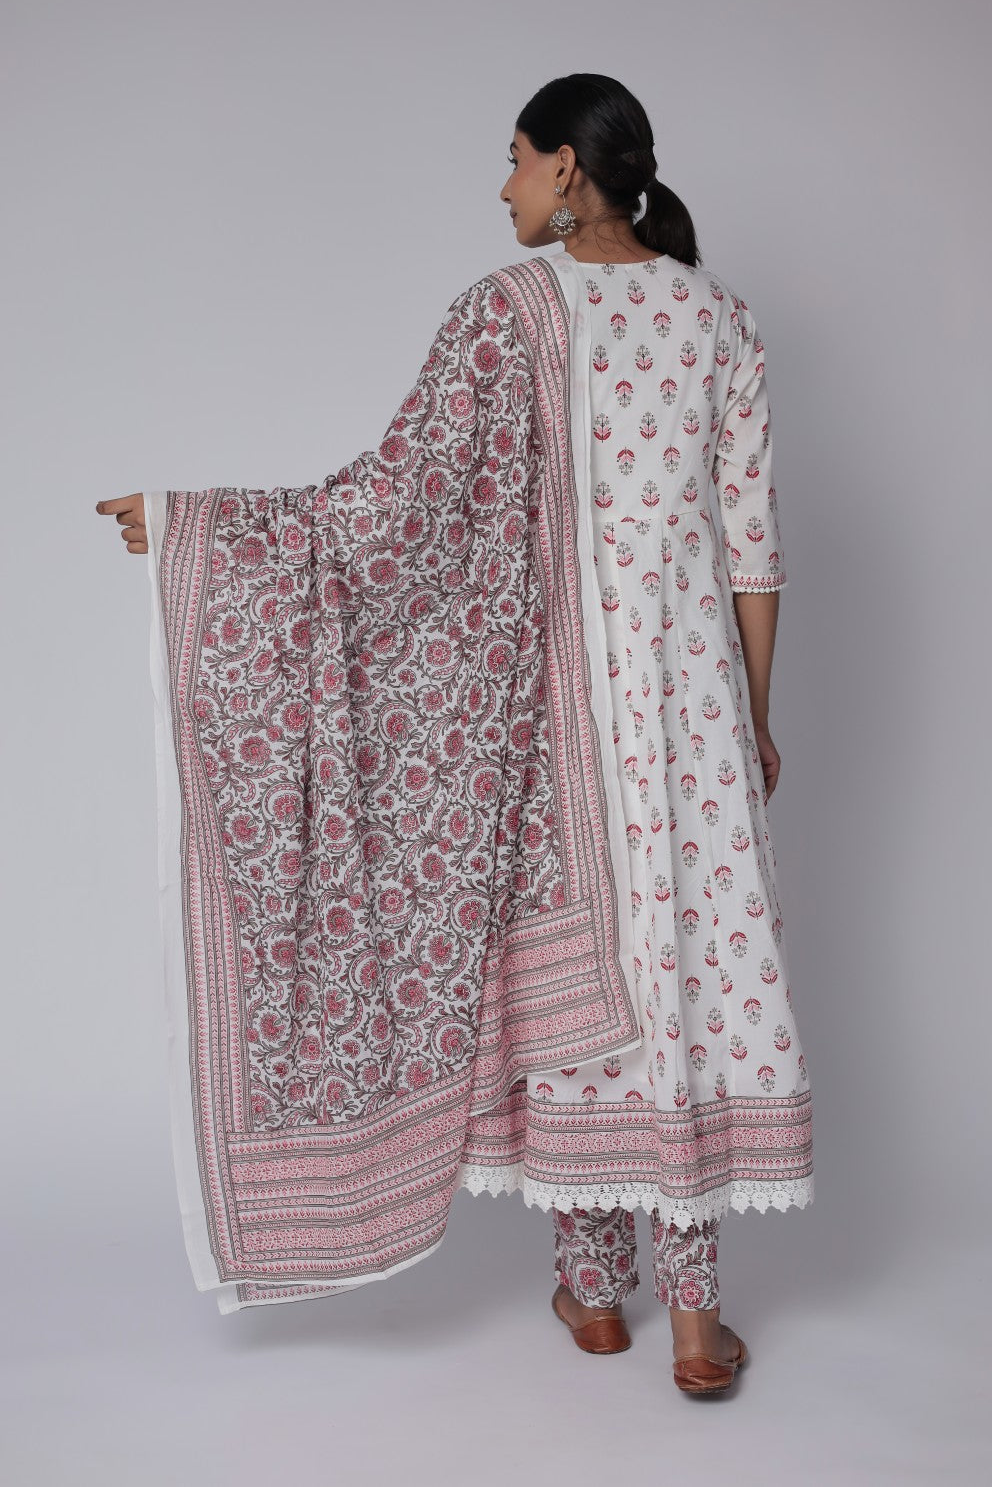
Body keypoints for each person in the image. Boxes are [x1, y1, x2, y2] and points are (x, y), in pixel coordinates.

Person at [96, 73, 811, 1395]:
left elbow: (387, 511)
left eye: (513, 160)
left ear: (564, 171)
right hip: (696, 706)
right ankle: (699, 1325)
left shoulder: (505, 314)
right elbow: (754, 555)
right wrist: (754, 721)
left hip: (556, 719)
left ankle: (595, 1296)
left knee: (587, 1001)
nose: (502, 189)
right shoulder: (722, 318)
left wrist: (191, 528)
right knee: (688, 987)